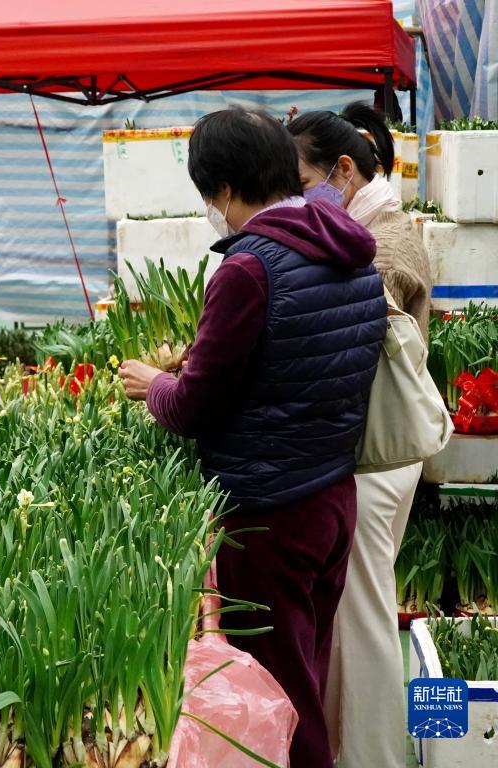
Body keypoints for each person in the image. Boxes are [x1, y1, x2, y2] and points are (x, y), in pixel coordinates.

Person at [118, 108, 387, 768]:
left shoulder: (247, 270)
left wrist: (152, 383)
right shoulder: (350, 251)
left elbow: (193, 408)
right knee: (307, 671)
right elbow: (299, 365)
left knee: (278, 693)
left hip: (268, 513)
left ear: (227, 191)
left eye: (211, 195)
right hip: (331, 497)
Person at [289, 103, 433, 768]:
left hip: (377, 459)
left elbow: (370, 297)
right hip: (368, 455)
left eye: (302, 182)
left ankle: (375, 757)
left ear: (342, 170)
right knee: (351, 616)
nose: (296, 200)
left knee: (368, 617)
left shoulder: (389, 237)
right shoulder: (365, 222)